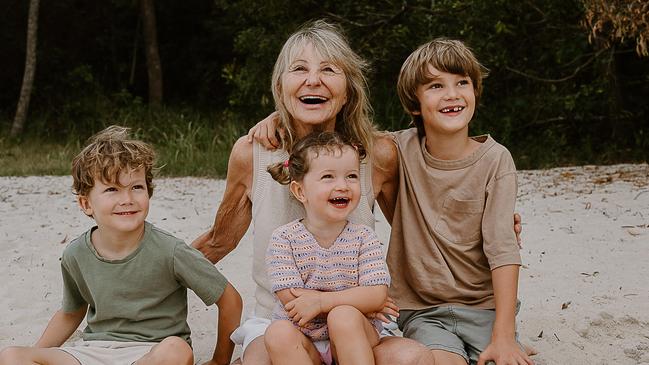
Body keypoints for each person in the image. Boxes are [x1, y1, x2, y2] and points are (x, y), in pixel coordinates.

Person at [194, 19, 521, 365]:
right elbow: (220, 239)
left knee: (417, 358)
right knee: (262, 357)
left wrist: (491, 223)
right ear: (280, 86)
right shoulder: (252, 152)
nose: (313, 80)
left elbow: (419, 224)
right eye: (299, 69)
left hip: (360, 321)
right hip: (283, 322)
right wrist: (151, 266)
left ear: (348, 89)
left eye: (329, 70)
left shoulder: (378, 154)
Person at [0, 126, 243, 365]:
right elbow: (71, 312)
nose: (126, 200)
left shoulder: (171, 251)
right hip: (92, 351)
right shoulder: (76, 254)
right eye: (112, 189)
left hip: (151, 352)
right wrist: (36, 355)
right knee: (12, 356)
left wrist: (220, 361)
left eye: (136, 187)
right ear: (86, 204)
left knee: (176, 350)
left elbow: (230, 299)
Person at [386, 38, 533, 365]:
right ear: (414, 103)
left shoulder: (496, 160)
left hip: (484, 307)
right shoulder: (399, 150)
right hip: (424, 311)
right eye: (436, 86)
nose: (452, 94)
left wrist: (505, 335)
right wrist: (275, 120)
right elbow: (342, 139)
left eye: (462, 83)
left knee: (503, 357)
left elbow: (503, 247)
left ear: (474, 92)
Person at [264, 132, 390, 365]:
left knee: (343, 317)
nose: (342, 186)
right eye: (328, 177)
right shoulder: (284, 239)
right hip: (303, 337)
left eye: (351, 176)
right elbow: (292, 301)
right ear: (300, 191)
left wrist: (322, 303)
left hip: (356, 336)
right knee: (277, 333)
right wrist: (358, 299)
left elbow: (376, 294)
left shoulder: (364, 237)